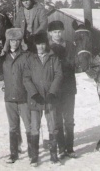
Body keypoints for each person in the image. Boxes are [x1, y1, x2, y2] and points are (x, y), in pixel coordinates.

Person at [23, 30, 63, 166]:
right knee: (34, 127)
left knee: (53, 126)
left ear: (46, 44)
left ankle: (53, 155)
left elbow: (58, 75)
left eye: (42, 44)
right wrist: (34, 94)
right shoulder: (30, 59)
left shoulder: (53, 57)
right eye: (38, 44)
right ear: (35, 45)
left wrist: (52, 93)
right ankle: (34, 156)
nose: (40, 47)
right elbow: (26, 78)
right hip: (36, 99)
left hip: (50, 99)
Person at [0, 28, 31, 163]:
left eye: (17, 40)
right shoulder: (4, 58)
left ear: (20, 42)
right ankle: (14, 153)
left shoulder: (26, 56)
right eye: (12, 40)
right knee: (13, 126)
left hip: (24, 96)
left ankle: (32, 151)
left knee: (29, 125)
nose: (14, 43)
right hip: (9, 97)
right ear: (8, 42)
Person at [48, 20, 77, 159]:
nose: (57, 34)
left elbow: (73, 62)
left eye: (59, 31)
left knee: (69, 118)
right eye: (54, 32)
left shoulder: (69, 45)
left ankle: (70, 147)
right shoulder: (47, 47)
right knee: (57, 119)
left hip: (69, 86)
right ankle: (61, 147)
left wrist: (63, 63)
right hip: (55, 88)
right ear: (50, 33)